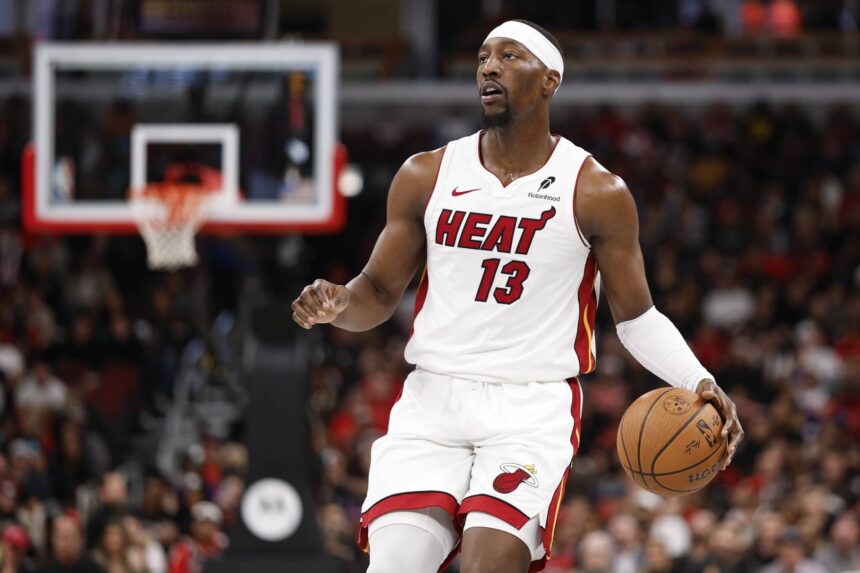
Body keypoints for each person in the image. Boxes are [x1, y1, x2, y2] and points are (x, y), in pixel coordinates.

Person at [292, 19, 744, 573]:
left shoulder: (596, 190)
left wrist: (699, 379)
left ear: (550, 79)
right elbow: (379, 291)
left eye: (510, 56)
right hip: (433, 398)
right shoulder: (426, 173)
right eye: (483, 56)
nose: (489, 66)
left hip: (530, 407)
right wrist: (340, 303)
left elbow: (636, 318)